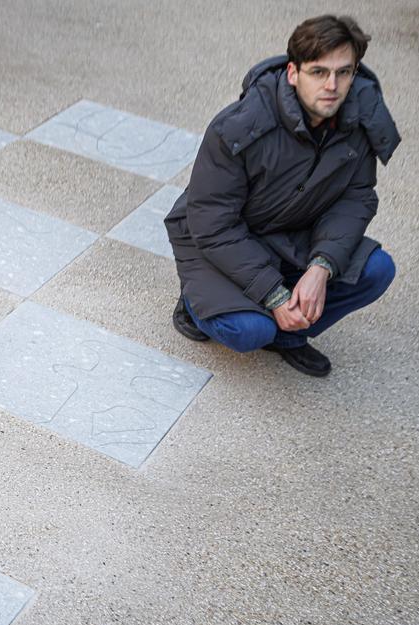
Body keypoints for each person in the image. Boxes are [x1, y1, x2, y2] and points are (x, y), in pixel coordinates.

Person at [165, 15, 399, 377]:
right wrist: (274, 295)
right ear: (293, 73)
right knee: (249, 332)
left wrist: (322, 265)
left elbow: (356, 198)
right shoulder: (239, 126)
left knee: (377, 269)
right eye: (319, 72)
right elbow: (212, 223)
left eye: (344, 72)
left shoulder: (359, 121)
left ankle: (290, 336)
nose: (332, 86)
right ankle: (195, 304)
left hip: (293, 234)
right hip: (215, 239)